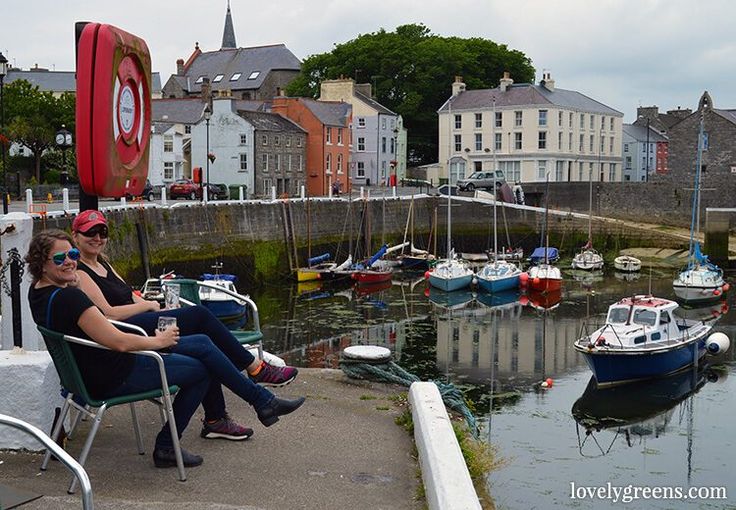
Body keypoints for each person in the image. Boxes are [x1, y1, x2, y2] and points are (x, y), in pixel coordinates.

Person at [27, 230, 305, 468]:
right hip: (113, 374)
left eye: (72, 255)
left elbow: (99, 329)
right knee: (202, 369)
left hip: (89, 372)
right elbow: (118, 340)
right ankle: (167, 446)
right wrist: (158, 342)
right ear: (41, 263)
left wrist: (69, 277)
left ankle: (262, 401)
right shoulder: (71, 299)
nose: (70, 262)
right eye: (61, 259)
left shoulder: (38, 292)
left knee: (204, 343)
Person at [71, 209, 298, 441]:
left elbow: (130, 296)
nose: (98, 238)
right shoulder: (80, 271)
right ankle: (256, 369)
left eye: (102, 232)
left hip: (139, 321)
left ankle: (216, 418)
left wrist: (154, 306)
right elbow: (109, 313)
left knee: (204, 343)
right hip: (126, 330)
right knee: (199, 316)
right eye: (90, 232)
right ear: (75, 236)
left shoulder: (104, 265)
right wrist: (148, 306)